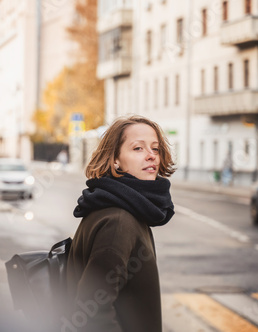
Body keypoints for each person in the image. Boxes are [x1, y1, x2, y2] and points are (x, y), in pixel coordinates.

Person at [64, 115, 176, 332]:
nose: (151, 156)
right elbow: (91, 313)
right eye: (138, 149)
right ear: (115, 159)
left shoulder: (124, 208)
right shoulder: (118, 221)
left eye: (156, 149)